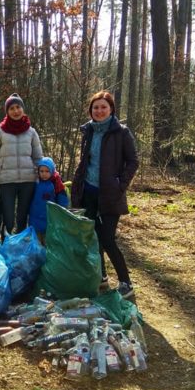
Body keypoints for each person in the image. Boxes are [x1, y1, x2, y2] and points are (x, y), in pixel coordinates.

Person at [71, 90, 139, 298]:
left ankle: (126, 282)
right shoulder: (88, 131)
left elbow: (133, 161)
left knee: (108, 239)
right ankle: (101, 276)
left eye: (103, 107)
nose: (99, 111)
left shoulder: (121, 132)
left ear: (111, 109)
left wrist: (120, 184)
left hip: (110, 194)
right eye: (95, 107)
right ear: (91, 110)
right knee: (93, 237)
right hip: (89, 191)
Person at [0, 93, 43, 235]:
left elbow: (38, 158)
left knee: (22, 218)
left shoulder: (32, 133)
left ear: (23, 109)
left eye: (18, 107)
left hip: (28, 181)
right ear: (7, 112)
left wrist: (46, 176)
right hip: (6, 181)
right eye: (12, 108)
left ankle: (19, 247)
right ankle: (6, 244)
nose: (16, 111)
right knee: (8, 219)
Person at [28, 157, 69, 243]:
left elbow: (62, 200)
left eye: (47, 171)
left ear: (52, 171)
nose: (44, 174)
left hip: (49, 221)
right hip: (35, 220)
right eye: (41, 171)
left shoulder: (56, 183)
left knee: (48, 243)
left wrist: (62, 212)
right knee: (36, 243)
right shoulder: (35, 183)